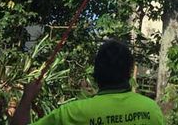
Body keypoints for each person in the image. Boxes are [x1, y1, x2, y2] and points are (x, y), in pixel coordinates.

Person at [10, 40, 164, 125]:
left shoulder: (72, 113)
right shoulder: (151, 110)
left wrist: (27, 98)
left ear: (96, 73)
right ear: (130, 71)